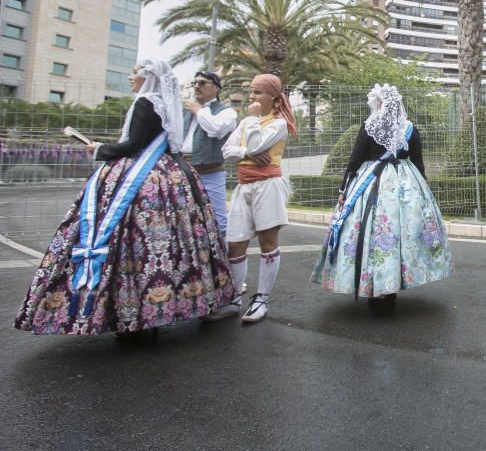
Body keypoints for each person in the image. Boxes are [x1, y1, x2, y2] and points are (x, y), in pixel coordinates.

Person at [14, 59, 234, 335]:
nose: (130, 77)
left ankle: (126, 310)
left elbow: (133, 145)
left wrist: (101, 148)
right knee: (172, 241)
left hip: (141, 176)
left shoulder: (145, 102)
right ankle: (167, 304)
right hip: (169, 173)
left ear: (148, 77)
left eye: (134, 73)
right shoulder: (164, 103)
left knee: (129, 239)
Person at [312, 84, 452, 303]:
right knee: (401, 233)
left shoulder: (369, 126)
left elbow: (355, 161)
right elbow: (418, 163)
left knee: (371, 232)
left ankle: (372, 281)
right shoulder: (410, 129)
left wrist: (344, 190)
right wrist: (424, 192)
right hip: (407, 182)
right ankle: (393, 282)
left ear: (381, 103)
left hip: (371, 182)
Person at [213, 73, 296, 324]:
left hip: (268, 186)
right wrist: (246, 151)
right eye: (251, 91)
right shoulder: (247, 123)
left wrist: (250, 125)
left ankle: (261, 299)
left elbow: (259, 144)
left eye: (258, 92)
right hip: (244, 186)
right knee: (235, 243)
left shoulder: (278, 123)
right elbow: (227, 150)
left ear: (273, 96)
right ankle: (234, 299)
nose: (252, 97)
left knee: (267, 241)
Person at [181, 70, 237, 239]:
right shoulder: (184, 111)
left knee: (218, 221)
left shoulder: (226, 112)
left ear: (216, 88)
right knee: (185, 219)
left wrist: (199, 111)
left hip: (210, 173)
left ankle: (221, 262)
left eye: (203, 83)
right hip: (182, 172)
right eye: (195, 83)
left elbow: (216, 129)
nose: (197, 86)